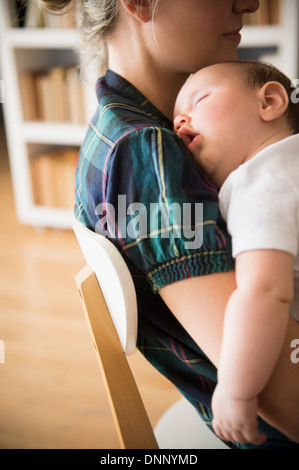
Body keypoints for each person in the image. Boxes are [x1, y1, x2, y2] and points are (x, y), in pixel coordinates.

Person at [40, 0, 299, 448]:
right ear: (139, 3)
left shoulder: (139, 128)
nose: (250, 3)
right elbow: (279, 387)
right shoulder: (145, 153)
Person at [174, 60, 299, 445]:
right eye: (176, 119)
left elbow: (263, 291)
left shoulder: (260, 181)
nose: (180, 124)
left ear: (270, 102)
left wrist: (236, 388)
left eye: (200, 100)